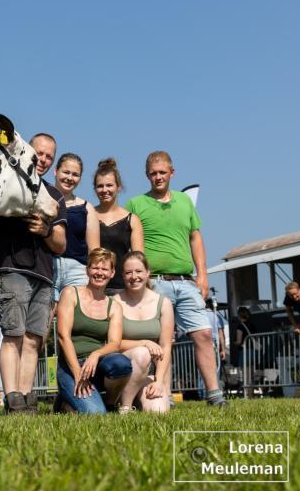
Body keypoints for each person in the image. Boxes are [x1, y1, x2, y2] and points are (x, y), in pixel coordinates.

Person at [125, 150, 228, 407]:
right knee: (163, 341)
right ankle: (164, 395)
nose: (158, 177)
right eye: (153, 173)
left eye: (162, 172)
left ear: (172, 173)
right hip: (155, 282)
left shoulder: (184, 202)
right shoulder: (136, 204)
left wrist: (202, 275)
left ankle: (214, 394)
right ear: (146, 175)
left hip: (185, 280)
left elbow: (196, 237)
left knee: (204, 333)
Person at [0, 133, 67, 414]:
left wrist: (46, 230)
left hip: (44, 275)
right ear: (28, 152)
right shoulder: (8, 183)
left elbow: (60, 244)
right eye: (40, 154)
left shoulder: (54, 194)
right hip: (12, 267)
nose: (44, 160)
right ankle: (11, 397)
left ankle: (25, 396)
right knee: (13, 334)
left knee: (34, 338)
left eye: (49, 156)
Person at [56, 248, 132, 414]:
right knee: (96, 414)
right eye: (95, 268)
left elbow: (114, 343)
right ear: (87, 270)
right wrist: (77, 374)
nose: (99, 273)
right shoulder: (71, 294)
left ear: (112, 273)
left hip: (98, 364)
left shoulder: (114, 306)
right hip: (71, 366)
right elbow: (63, 336)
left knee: (122, 364)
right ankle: (65, 399)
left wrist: (96, 354)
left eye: (105, 269)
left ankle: (110, 403)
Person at [113, 251, 174, 413]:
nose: (134, 276)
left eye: (139, 271)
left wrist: (159, 381)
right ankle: (125, 406)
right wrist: (145, 343)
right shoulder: (115, 303)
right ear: (123, 276)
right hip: (120, 373)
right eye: (128, 272)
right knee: (142, 353)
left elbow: (165, 346)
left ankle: (139, 399)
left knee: (159, 411)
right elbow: (113, 344)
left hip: (148, 373)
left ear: (148, 273)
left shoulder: (164, 303)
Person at [52, 153, 100, 303]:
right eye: (66, 172)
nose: (70, 178)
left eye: (75, 175)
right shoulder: (41, 199)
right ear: (56, 171)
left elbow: (94, 250)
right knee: (42, 320)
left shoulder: (86, 208)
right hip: (47, 267)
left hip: (77, 272)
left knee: (76, 321)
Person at [93, 158, 144, 295]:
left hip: (123, 290)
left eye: (109, 185)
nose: (104, 190)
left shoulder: (132, 220)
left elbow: (139, 260)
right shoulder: (88, 215)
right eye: (100, 186)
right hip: (93, 288)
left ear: (118, 187)